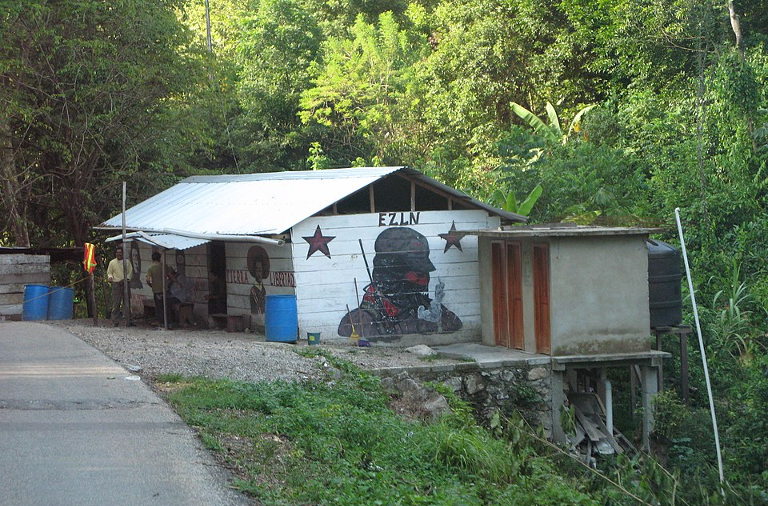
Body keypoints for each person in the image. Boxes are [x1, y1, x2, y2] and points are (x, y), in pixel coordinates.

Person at [338, 227, 462, 341]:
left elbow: (454, 324)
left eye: (423, 271)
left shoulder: (424, 305)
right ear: (390, 271)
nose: (422, 278)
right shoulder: (358, 320)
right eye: (416, 271)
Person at [107, 246, 133, 327]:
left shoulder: (127, 262)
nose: (119, 254)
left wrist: (126, 279)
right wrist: (110, 277)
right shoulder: (112, 262)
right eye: (117, 253)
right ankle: (115, 321)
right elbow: (109, 272)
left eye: (120, 253)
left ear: (123, 253)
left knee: (127, 303)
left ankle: (128, 320)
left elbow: (130, 272)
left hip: (125, 283)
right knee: (116, 303)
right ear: (115, 254)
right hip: (116, 284)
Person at [145, 252, 171, 324]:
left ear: (152, 258)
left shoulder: (151, 268)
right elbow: (170, 276)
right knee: (166, 306)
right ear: (159, 258)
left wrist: (151, 285)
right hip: (165, 289)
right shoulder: (164, 266)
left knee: (159, 307)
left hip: (156, 290)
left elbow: (147, 279)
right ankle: (168, 322)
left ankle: (161, 322)